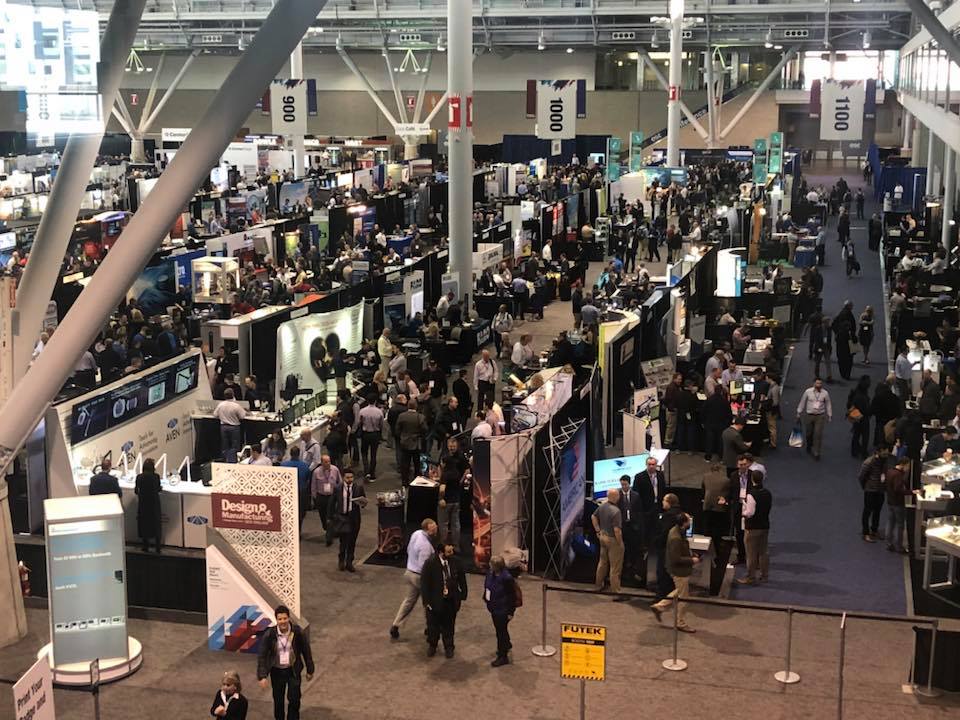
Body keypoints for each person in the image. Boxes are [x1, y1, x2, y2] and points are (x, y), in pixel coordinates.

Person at [256, 605, 314, 720]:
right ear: (276, 620)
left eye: (285, 618)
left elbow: (306, 651)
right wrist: (262, 676)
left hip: (293, 671)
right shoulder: (270, 634)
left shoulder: (297, 632)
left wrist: (310, 669)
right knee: (278, 701)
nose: (282, 621)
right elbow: (262, 656)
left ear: (289, 618)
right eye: (280, 619)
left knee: (294, 699)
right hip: (277, 671)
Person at [389, 518, 438, 640]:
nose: (436, 529)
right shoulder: (426, 546)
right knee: (430, 602)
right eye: (434, 528)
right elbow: (424, 567)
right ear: (429, 529)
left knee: (409, 601)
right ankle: (430, 627)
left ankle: (396, 625)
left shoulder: (416, 533)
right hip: (419, 576)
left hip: (409, 572)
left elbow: (408, 549)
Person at [650, 513, 698, 632]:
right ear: (684, 523)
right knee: (683, 599)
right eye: (688, 521)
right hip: (679, 571)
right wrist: (692, 560)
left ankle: (659, 607)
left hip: (677, 570)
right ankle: (680, 622)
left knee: (679, 592)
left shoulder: (676, 531)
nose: (690, 522)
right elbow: (676, 558)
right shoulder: (675, 537)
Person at [420, 542, 469, 658]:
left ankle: (449, 647)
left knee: (449, 626)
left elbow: (462, 579)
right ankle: (432, 645)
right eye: (449, 552)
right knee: (433, 627)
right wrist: (426, 602)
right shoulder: (430, 563)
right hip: (435, 602)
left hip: (451, 601)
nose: (452, 553)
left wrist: (463, 595)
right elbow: (424, 584)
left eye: (452, 551)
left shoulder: (456, 562)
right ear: (441, 552)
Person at [736, 471, 772, 586]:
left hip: (752, 528)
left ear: (752, 480)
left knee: (751, 553)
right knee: (763, 552)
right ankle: (764, 576)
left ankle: (750, 577)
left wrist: (743, 513)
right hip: (765, 526)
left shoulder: (751, 494)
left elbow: (750, 513)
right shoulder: (767, 493)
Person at [327, 469, 366, 571]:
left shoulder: (358, 488)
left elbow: (363, 501)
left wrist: (363, 503)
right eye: (347, 477)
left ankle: (349, 562)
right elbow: (332, 503)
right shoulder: (337, 488)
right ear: (343, 477)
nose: (350, 479)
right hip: (342, 518)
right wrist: (330, 517)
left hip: (354, 518)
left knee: (352, 541)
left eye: (351, 477)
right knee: (343, 541)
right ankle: (341, 560)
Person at [592, 489, 627, 599]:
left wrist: (598, 530)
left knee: (602, 563)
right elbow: (617, 530)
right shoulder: (616, 511)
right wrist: (620, 543)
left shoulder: (602, 506)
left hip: (602, 537)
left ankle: (598, 586)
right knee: (615, 567)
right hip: (612, 540)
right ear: (616, 497)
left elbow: (593, 516)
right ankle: (616, 593)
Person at [484, 554, 518, 667]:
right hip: (493, 607)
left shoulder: (507, 578)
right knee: (500, 629)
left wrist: (510, 612)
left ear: (497, 566)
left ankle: (503, 656)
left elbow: (512, 596)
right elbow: (487, 587)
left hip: (502, 610)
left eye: (491, 564)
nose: (489, 565)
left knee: (501, 632)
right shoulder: (490, 574)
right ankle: (507, 645)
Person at [858, 444, 890, 542]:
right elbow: (861, 476)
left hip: (880, 490)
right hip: (870, 490)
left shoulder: (884, 461)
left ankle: (874, 530)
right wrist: (866, 487)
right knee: (867, 511)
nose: (887, 452)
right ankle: (865, 533)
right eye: (885, 450)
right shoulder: (869, 462)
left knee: (877, 511)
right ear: (879, 451)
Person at [797, 378, 832, 461]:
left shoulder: (825, 393)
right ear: (814, 384)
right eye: (817, 383)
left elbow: (828, 404)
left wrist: (829, 415)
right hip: (809, 415)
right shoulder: (808, 392)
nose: (819, 385)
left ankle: (817, 452)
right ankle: (809, 444)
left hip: (820, 416)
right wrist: (799, 412)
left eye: (820, 383)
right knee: (809, 433)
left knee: (818, 434)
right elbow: (802, 402)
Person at [617, 475, 644, 583]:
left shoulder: (636, 496)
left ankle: (632, 571)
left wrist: (638, 525)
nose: (623, 486)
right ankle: (622, 572)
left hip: (633, 527)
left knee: (633, 550)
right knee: (622, 550)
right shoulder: (617, 495)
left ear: (629, 484)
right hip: (622, 527)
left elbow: (639, 511)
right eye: (622, 484)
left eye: (625, 484)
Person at [885, 456, 915, 553]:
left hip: (890, 501)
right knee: (900, 525)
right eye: (908, 466)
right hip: (898, 503)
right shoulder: (898, 475)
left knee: (890, 522)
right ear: (904, 464)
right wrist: (912, 492)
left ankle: (889, 543)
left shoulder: (890, 471)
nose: (908, 468)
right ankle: (899, 546)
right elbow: (898, 489)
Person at [396, 398, 428, 486]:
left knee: (405, 463)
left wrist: (402, 437)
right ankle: (416, 481)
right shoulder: (421, 417)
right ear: (416, 406)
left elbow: (397, 430)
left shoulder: (402, 416)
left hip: (405, 443)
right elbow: (425, 429)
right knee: (417, 463)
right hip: (416, 444)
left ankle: (404, 482)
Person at [280, 447, 312, 532]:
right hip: (300, 492)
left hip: (287, 492)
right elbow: (308, 479)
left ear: (290, 454)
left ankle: (287, 530)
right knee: (299, 513)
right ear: (299, 454)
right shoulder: (305, 466)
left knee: (286, 512)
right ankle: (298, 531)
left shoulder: (283, 465)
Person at [135, 458, 162, 553]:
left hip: (143, 504)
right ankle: (157, 547)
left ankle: (145, 546)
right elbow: (159, 489)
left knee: (144, 523)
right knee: (155, 523)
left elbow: (136, 491)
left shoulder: (139, 477)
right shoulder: (156, 477)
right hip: (154, 504)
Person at [310, 454, 340, 534]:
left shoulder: (335, 469)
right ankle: (326, 528)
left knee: (332, 514)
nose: (328, 463)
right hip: (321, 497)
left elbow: (339, 482)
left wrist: (339, 495)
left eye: (329, 461)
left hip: (332, 496)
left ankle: (331, 531)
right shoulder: (316, 472)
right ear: (322, 463)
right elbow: (313, 486)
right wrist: (315, 498)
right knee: (323, 515)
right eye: (326, 462)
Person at [214, 389, 246, 463]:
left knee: (225, 445)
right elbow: (242, 416)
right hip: (234, 427)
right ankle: (233, 461)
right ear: (233, 395)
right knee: (234, 446)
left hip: (223, 427)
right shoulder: (236, 406)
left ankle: (226, 461)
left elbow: (215, 414)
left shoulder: (220, 405)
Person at [358, 395, 384, 481]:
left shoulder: (362, 411)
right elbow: (381, 424)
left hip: (365, 434)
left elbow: (359, 422)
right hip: (375, 434)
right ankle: (372, 473)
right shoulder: (379, 412)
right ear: (375, 401)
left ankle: (366, 471)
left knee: (364, 452)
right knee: (373, 454)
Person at [847, 375, 872, 460]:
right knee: (865, 436)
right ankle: (863, 453)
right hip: (863, 418)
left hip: (856, 417)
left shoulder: (855, 392)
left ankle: (854, 451)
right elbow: (866, 409)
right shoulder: (862, 395)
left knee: (856, 434)